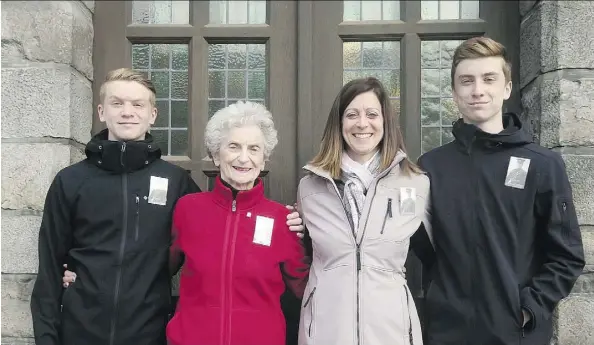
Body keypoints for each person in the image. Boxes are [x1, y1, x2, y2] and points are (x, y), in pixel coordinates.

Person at [33, 68, 304, 345]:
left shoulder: (176, 183)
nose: (128, 112)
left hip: (149, 333)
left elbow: (226, 223)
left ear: (152, 115)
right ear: (102, 111)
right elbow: (51, 267)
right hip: (82, 331)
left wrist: (297, 223)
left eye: (138, 104)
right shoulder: (72, 181)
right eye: (118, 103)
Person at [415, 37, 585, 345]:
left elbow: (566, 256)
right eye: (466, 81)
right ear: (454, 92)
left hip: (515, 334)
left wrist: (527, 309)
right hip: (447, 333)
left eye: (488, 79)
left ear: (506, 88)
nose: (477, 90)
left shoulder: (542, 164)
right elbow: (424, 250)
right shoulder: (431, 166)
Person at [296, 77, 432, 345]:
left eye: (372, 114)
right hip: (326, 331)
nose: (362, 124)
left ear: (385, 122)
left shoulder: (416, 184)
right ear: (339, 123)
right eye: (352, 115)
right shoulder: (309, 187)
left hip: (390, 331)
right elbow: (299, 256)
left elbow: (437, 257)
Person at [165, 101, 310, 345]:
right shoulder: (187, 209)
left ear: (263, 160)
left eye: (254, 149)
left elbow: (307, 290)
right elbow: (155, 271)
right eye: (233, 146)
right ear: (215, 155)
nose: (244, 158)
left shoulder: (283, 220)